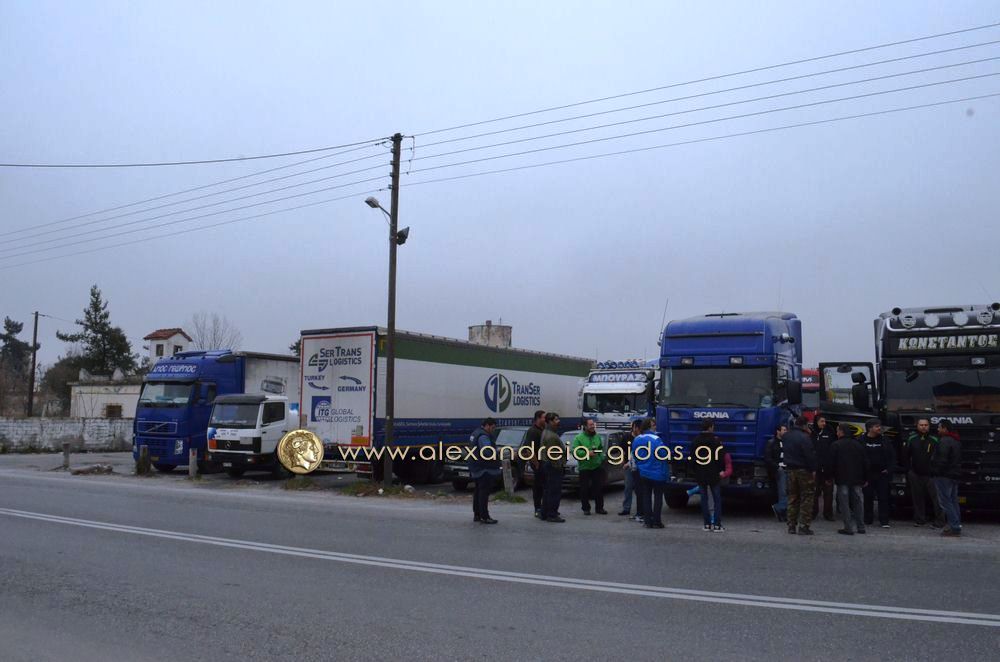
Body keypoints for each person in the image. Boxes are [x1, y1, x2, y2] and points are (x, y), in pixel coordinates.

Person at [902, 418, 944, 528]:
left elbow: (940, 456)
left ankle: (940, 521)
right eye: (921, 425)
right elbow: (905, 455)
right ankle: (920, 519)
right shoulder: (911, 438)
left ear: (929, 426)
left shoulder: (935, 439)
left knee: (937, 499)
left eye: (926, 425)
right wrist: (909, 470)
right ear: (917, 426)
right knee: (917, 498)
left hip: (932, 475)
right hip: (915, 474)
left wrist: (936, 470)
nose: (923, 427)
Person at [829, 422, 868, 535]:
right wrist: (865, 478)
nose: (836, 433)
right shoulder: (858, 445)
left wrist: (829, 476)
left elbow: (831, 463)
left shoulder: (836, 445)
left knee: (844, 503)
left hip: (842, 478)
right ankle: (861, 526)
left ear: (841, 432)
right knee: (858, 502)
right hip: (857, 478)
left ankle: (848, 527)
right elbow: (865, 462)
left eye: (837, 430)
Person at [783, 416, 817, 535]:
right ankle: (804, 526)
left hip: (790, 469)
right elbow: (809, 455)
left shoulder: (786, 436)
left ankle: (791, 525)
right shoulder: (805, 437)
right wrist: (813, 469)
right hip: (804, 470)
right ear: (805, 425)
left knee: (792, 497)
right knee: (807, 497)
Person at [691, 420, 725, 531]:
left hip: (701, 473)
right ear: (710, 427)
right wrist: (720, 469)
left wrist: (695, 470)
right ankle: (717, 524)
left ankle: (707, 524)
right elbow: (720, 457)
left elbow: (692, 458)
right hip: (713, 473)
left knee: (704, 499)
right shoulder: (716, 441)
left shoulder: (696, 440)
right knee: (717, 499)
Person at [861, 419, 896, 529]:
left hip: (882, 474)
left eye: (879, 426)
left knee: (884, 497)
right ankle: (868, 519)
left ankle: (884, 520)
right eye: (876, 426)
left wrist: (889, 469)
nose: (879, 428)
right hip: (867, 474)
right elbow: (857, 457)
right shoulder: (861, 440)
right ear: (869, 428)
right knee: (867, 497)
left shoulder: (885, 440)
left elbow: (892, 456)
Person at [633, 418, 667, 528]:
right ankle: (657, 521)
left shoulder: (637, 439)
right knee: (658, 497)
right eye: (654, 425)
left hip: (643, 472)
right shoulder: (656, 439)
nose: (655, 427)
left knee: (646, 497)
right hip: (657, 472)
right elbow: (663, 453)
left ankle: (648, 521)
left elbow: (635, 455)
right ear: (650, 426)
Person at [931, 419, 962, 537]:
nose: (938, 429)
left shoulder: (944, 441)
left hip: (944, 475)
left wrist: (935, 471)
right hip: (954, 475)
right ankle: (956, 524)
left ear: (945, 428)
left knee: (945, 502)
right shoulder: (956, 440)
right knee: (953, 501)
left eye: (939, 427)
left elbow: (941, 459)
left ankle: (954, 527)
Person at [572, 418, 608, 515]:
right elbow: (574, 451)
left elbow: (600, 449)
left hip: (596, 466)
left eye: (593, 424)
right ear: (585, 426)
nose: (593, 426)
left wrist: (601, 458)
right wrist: (587, 453)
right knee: (584, 489)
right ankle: (586, 508)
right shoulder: (578, 438)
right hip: (584, 467)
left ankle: (599, 508)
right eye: (590, 425)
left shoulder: (597, 436)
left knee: (598, 488)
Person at [468, 418, 500, 524]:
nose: (493, 430)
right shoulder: (483, 436)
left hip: (476, 467)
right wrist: (498, 452)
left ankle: (477, 515)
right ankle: (484, 516)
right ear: (487, 425)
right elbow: (487, 451)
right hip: (484, 468)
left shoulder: (475, 433)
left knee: (478, 491)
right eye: (493, 428)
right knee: (483, 493)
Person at [539, 412, 566, 523]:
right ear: (550, 422)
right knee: (554, 491)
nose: (558, 421)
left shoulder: (547, 432)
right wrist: (559, 466)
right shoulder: (551, 436)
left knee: (548, 490)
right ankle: (552, 514)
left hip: (547, 464)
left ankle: (544, 512)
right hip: (553, 466)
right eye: (556, 420)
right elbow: (554, 455)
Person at [810, 415, 836, 522]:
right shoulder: (812, 434)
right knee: (814, 492)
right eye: (822, 421)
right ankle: (813, 512)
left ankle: (828, 513)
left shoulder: (829, 434)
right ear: (816, 422)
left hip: (827, 469)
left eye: (825, 421)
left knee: (828, 493)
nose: (824, 423)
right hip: (815, 469)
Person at [619, 419, 644, 519]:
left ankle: (640, 510)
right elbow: (621, 450)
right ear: (634, 428)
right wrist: (622, 460)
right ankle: (626, 508)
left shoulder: (642, 438)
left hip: (639, 466)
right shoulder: (626, 437)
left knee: (639, 489)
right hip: (628, 465)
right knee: (628, 487)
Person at [524, 410, 547, 518]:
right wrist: (536, 463)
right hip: (538, 462)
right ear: (538, 418)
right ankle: (537, 508)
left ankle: (545, 507)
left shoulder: (543, 430)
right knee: (538, 487)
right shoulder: (533, 431)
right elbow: (529, 449)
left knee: (544, 487)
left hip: (544, 462)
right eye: (544, 417)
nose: (545, 419)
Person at [765, 424, 788, 522]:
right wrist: (777, 467)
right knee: (783, 492)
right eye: (784, 430)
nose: (786, 432)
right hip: (779, 470)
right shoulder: (771, 443)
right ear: (778, 431)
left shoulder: (787, 442)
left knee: (787, 492)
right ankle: (780, 508)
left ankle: (781, 509)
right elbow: (768, 458)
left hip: (788, 469)